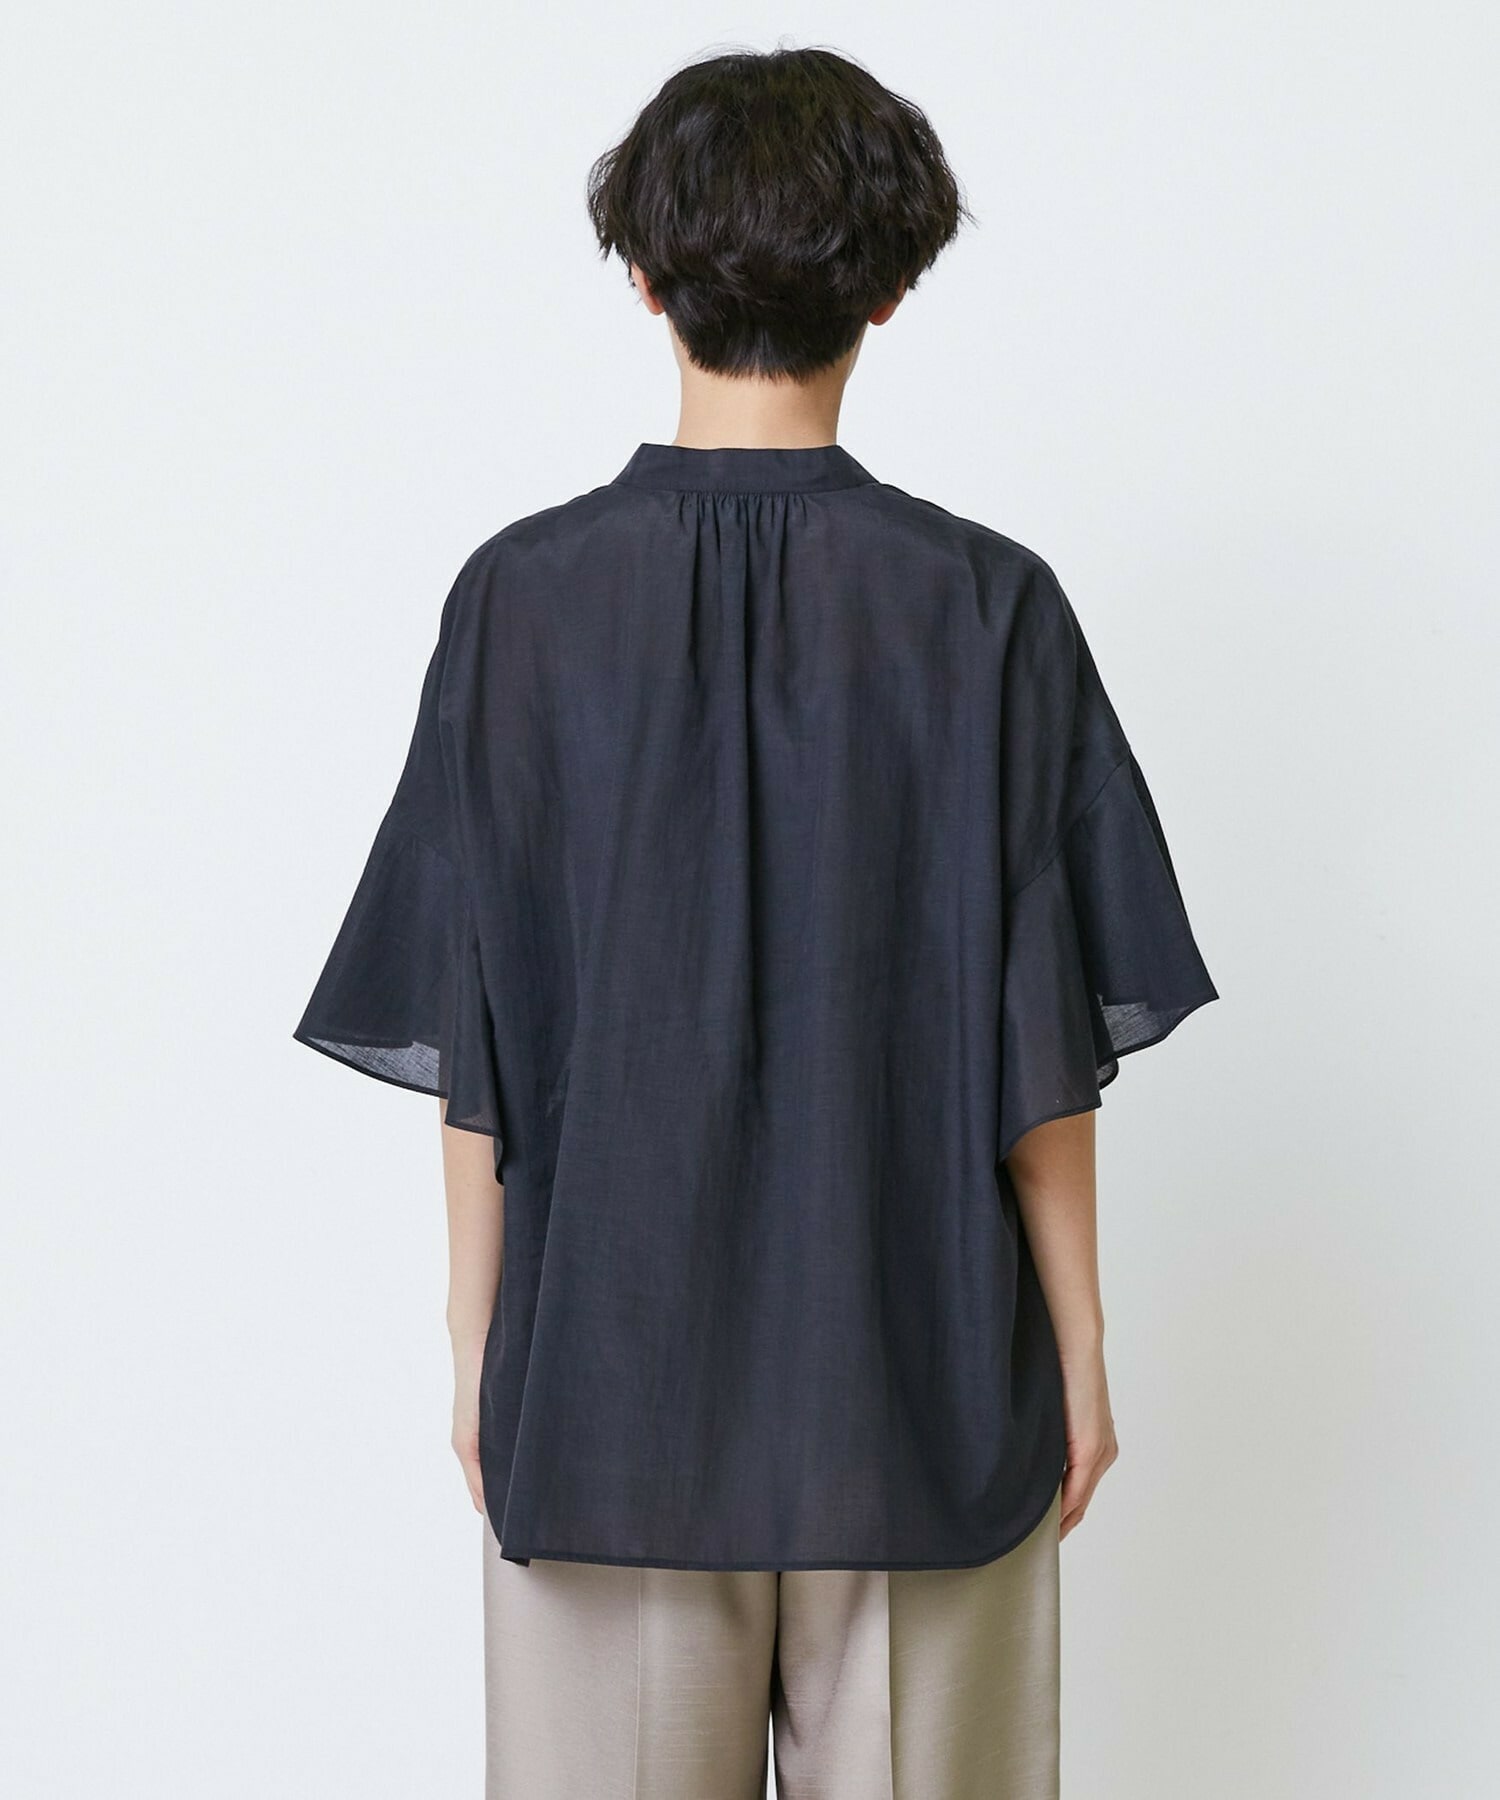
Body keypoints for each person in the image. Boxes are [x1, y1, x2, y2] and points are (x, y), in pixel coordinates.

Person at [292, 43, 1219, 1800]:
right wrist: (1084, 1353)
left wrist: (481, 1356)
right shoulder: (986, 609)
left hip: (607, 1399)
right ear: (889, 289)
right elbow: (1043, 1054)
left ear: (646, 278)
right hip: (921, 1396)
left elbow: (476, 1030)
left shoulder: (519, 604)